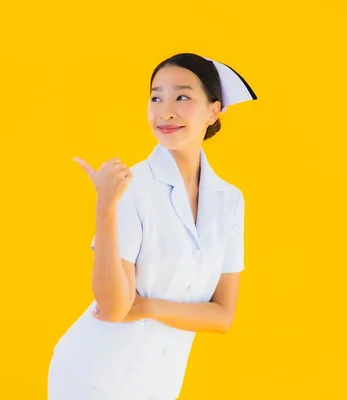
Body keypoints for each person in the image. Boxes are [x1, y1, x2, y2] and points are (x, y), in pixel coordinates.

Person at [47, 52, 257, 400]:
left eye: (182, 97)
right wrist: (105, 208)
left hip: (157, 384)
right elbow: (114, 308)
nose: (165, 110)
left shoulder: (228, 201)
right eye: (156, 97)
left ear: (213, 111)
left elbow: (222, 316)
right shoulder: (131, 187)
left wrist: (147, 307)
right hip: (91, 377)